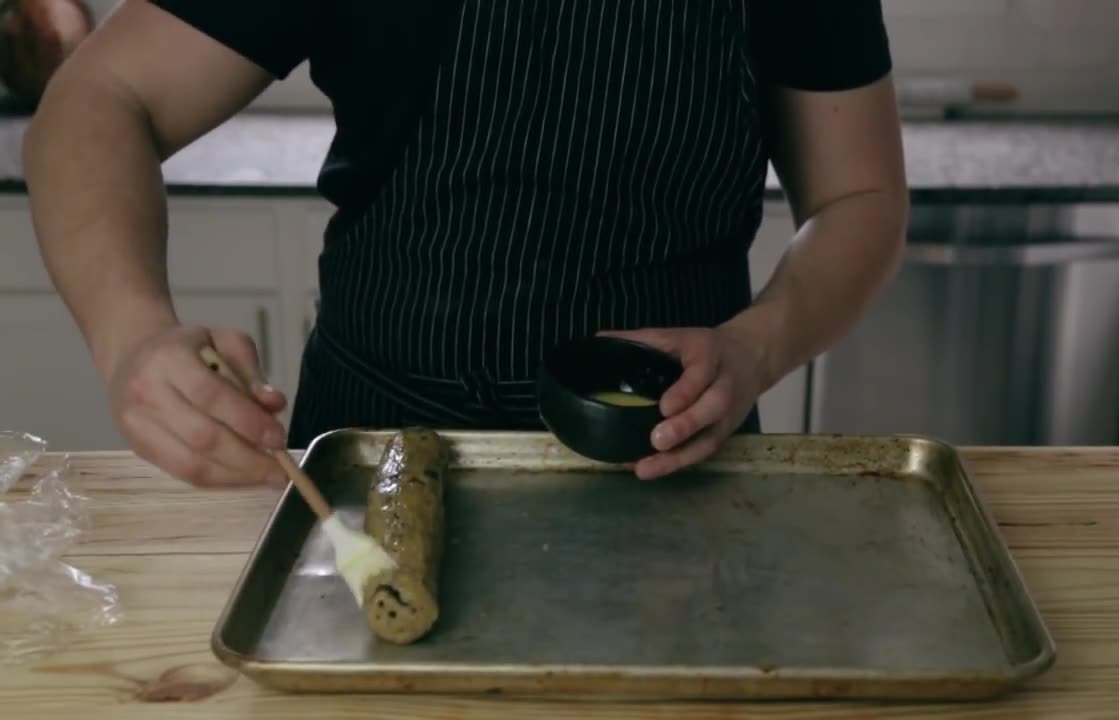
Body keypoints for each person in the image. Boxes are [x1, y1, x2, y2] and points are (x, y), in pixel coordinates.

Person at [23, 0, 908, 488]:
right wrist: (133, 337)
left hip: (676, 464)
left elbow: (859, 194)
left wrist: (761, 344)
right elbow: (101, 97)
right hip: (372, 454)